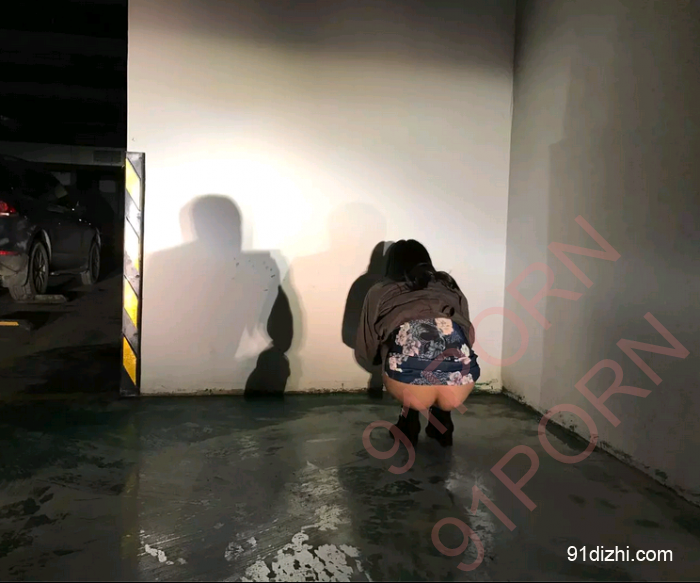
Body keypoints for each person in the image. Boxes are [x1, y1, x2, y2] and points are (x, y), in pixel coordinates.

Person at [355, 240, 480, 447]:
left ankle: (408, 423)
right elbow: (467, 334)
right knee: (444, 340)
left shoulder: (379, 290)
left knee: (401, 344)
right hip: (461, 380)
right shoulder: (449, 286)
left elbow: (368, 342)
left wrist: (380, 362)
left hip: (409, 382)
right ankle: (442, 422)